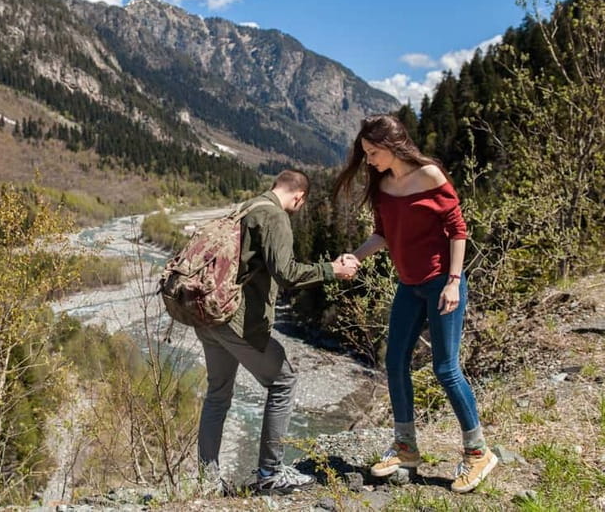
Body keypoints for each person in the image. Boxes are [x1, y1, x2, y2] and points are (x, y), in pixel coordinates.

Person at [332, 115, 497, 493]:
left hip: (442, 284)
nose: (369, 160)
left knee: (445, 369)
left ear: (392, 146)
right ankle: (405, 447)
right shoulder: (383, 185)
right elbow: (383, 235)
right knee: (394, 362)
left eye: (373, 152)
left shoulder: (430, 176)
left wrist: (454, 282)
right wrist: (355, 257)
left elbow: (458, 230)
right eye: (366, 154)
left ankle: (478, 453)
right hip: (409, 286)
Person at [196, 169, 359, 495]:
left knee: (217, 395)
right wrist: (333, 270)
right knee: (283, 380)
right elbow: (286, 274)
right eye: (301, 202)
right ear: (298, 196)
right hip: (235, 320)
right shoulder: (274, 217)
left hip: (206, 315)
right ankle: (270, 473)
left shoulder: (245, 208)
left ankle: (206, 482)